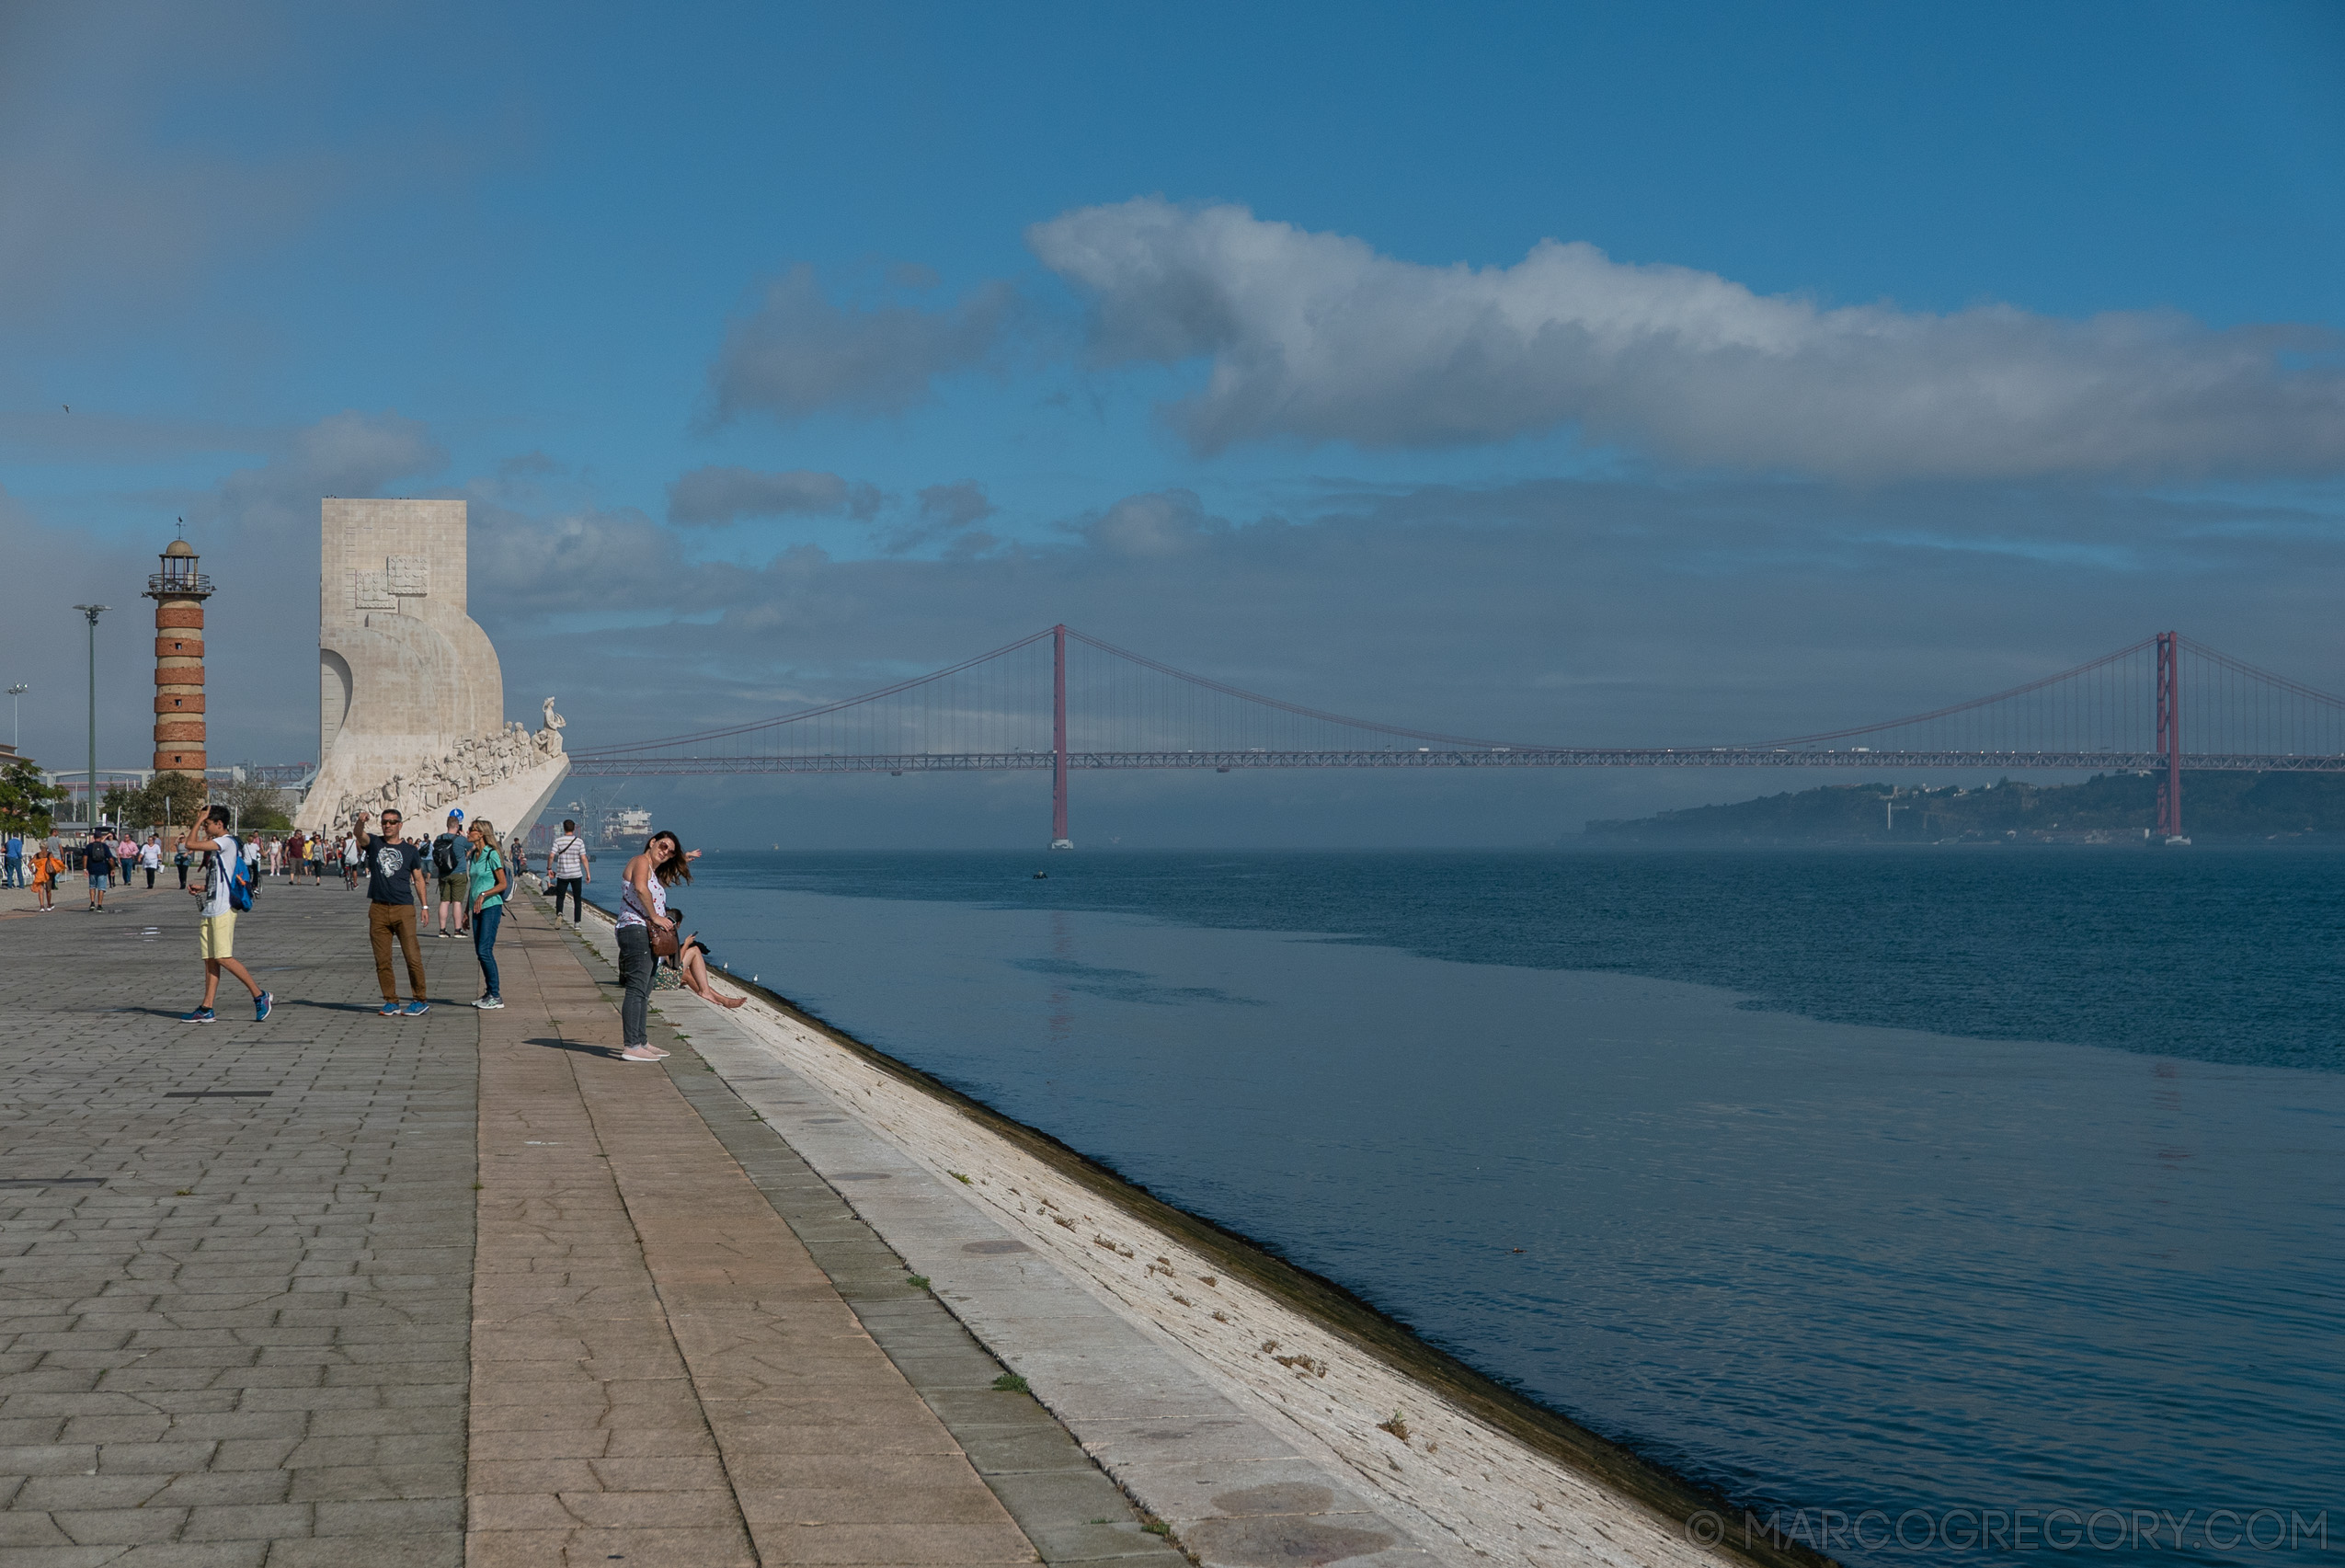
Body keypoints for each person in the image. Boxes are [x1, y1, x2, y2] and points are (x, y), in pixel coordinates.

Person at [180, 804, 270, 1024]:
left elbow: (189, 844)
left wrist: (199, 819)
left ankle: (260, 995)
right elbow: (220, 877)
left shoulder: (226, 842)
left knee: (223, 957)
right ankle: (207, 1007)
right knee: (210, 960)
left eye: (208, 824)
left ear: (219, 824)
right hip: (211, 906)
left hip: (222, 910)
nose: (205, 828)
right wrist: (202, 888)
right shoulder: (218, 847)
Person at [613, 830, 695, 1062]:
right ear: (652, 842)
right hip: (635, 929)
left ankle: (641, 1041)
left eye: (670, 852)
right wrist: (655, 917)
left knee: (645, 990)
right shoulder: (640, 861)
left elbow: (651, 885)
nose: (665, 852)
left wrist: (682, 857)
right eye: (662, 846)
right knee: (637, 988)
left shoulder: (653, 869)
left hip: (644, 932)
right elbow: (640, 888)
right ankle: (631, 1045)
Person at [363, 808, 432, 1016]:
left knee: (412, 956)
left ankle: (420, 999)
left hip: (404, 908)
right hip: (378, 908)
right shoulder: (375, 844)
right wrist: (360, 822)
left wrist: (425, 907)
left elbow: (419, 879)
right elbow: (360, 835)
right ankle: (391, 1001)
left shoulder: (410, 851)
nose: (388, 825)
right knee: (382, 959)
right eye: (385, 822)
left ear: (400, 825)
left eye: (392, 822)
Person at [657, 904, 745, 1010]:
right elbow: (675, 963)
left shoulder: (659, 933)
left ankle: (718, 997)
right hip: (660, 980)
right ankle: (710, 994)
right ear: (678, 924)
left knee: (688, 973)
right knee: (695, 951)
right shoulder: (666, 936)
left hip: (656, 975)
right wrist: (686, 944)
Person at [465, 818, 509, 1009]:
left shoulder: (492, 855)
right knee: (480, 952)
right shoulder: (474, 854)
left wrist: (484, 894)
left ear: (480, 833)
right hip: (476, 909)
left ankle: (496, 995)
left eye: (471, 829)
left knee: (485, 950)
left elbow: (502, 884)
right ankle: (489, 992)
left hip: (491, 906)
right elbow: (473, 884)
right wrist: (467, 911)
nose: (468, 832)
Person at [430, 810, 471, 938]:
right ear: (457, 826)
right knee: (457, 902)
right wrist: (464, 836)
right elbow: (473, 846)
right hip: (458, 873)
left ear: (447, 825)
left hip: (443, 873)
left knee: (444, 901)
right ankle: (457, 930)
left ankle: (442, 930)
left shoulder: (439, 838)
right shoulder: (460, 840)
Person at [546, 819, 589, 924]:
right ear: (574, 828)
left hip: (562, 874)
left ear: (564, 828)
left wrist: (549, 868)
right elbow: (583, 858)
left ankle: (560, 913)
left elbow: (551, 855)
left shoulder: (558, 841)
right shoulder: (579, 841)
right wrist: (588, 873)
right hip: (576, 874)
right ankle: (577, 923)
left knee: (560, 897)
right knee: (577, 899)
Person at [83, 832, 114, 911]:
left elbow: (85, 858)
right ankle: (99, 905)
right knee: (101, 888)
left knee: (92, 886)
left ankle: (92, 903)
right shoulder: (105, 847)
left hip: (92, 869)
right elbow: (111, 859)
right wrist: (113, 869)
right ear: (101, 837)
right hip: (102, 869)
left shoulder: (89, 846)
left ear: (94, 837)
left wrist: (85, 868)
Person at [29, 843, 62, 911]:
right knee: (48, 890)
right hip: (47, 873)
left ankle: (42, 906)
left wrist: (33, 871)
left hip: (39, 874)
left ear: (40, 847)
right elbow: (53, 863)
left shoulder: (37, 855)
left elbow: (29, 864)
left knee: (41, 890)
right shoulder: (49, 854)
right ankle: (49, 905)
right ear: (47, 847)